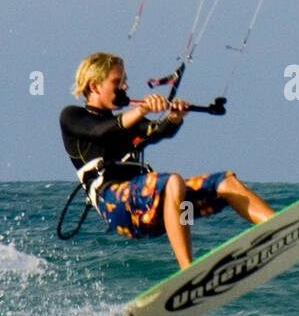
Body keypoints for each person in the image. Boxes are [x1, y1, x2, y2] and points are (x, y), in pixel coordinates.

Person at [59, 52, 273, 268]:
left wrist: (173, 118)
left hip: (157, 210)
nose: (125, 87)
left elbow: (156, 131)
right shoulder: (72, 117)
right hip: (120, 209)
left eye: (124, 81)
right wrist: (143, 108)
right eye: (117, 82)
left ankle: (280, 227)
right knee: (172, 182)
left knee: (226, 184)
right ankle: (188, 270)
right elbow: (101, 131)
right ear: (94, 86)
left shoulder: (129, 122)